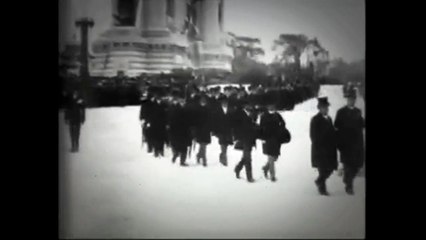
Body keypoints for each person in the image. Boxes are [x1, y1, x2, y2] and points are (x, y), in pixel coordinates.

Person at [334, 89, 365, 195]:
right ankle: (349, 186)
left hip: (356, 144)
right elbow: (336, 127)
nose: (351, 101)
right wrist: (339, 142)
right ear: (347, 100)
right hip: (346, 144)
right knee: (348, 165)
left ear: (355, 100)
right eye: (349, 99)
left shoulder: (357, 112)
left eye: (353, 99)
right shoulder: (341, 112)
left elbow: (361, 124)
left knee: (356, 166)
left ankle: (347, 179)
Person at [310, 97, 338, 195]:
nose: (326, 109)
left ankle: (319, 181)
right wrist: (321, 145)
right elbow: (313, 136)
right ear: (319, 108)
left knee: (330, 169)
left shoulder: (329, 119)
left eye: (326, 107)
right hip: (320, 150)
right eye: (323, 107)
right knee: (322, 169)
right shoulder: (315, 120)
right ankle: (322, 189)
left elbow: (332, 132)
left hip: (329, 150)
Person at [260, 103, 287, 182]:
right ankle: (272, 176)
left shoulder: (277, 115)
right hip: (268, 139)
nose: (272, 107)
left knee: (275, 157)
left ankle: (265, 168)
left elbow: (283, 123)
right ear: (267, 106)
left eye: (273, 106)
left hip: (276, 139)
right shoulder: (263, 116)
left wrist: (281, 130)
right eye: (270, 106)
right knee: (271, 157)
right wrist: (262, 138)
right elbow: (261, 128)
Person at [233, 101, 259, 183]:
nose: (250, 107)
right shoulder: (239, 113)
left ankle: (237, 168)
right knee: (248, 158)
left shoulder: (254, 113)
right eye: (248, 105)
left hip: (251, 138)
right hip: (243, 138)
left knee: (245, 157)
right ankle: (249, 177)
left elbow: (253, 123)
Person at [167, 93, 192, 166]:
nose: (183, 103)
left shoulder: (184, 109)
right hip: (179, 131)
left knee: (183, 147)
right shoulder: (176, 110)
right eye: (181, 102)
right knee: (182, 147)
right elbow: (172, 121)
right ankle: (179, 158)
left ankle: (180, 159)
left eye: (183, 102)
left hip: (182, 131)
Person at [213, 96, 234, 166]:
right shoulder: (217, 110)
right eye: (223, 103)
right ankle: (224, 160)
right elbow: (215, 121)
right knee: (222, 145)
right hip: (221, 131)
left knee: (226, 145)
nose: (225, 104)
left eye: (226, 103)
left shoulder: (231, 110)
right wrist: (215, 131)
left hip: (228, 131)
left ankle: (222, 155)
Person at [194, 94, 213, 166]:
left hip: (206, 130)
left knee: (203, 145)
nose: (203, 103)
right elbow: (195, 121)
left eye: (204, 102)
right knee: (203, 145)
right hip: (200, 130)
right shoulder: (197, 110)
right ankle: (204, 160)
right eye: (202, 101)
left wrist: (210, 128)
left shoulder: (208, 109)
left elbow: (210, 120)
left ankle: (199, 155)